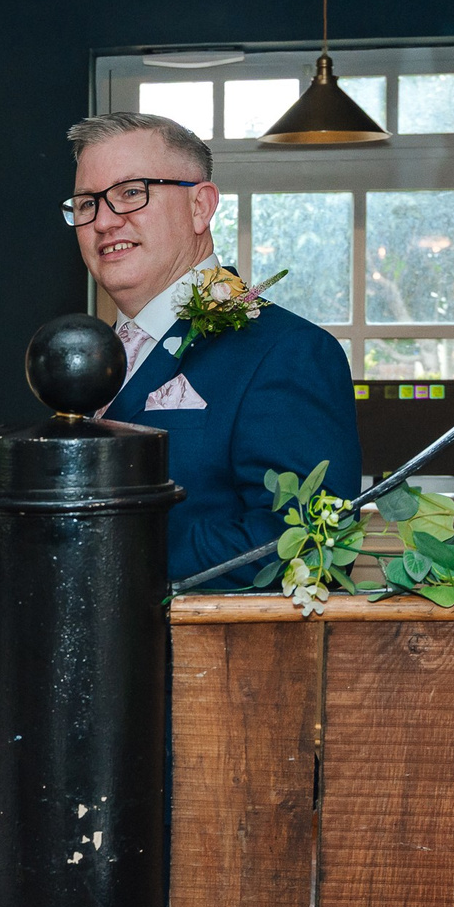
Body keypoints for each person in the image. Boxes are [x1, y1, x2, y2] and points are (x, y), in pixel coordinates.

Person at [67, 111, 362, 588]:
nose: (104, 221)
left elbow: (307, 541)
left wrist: (100, 556)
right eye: (86, 204)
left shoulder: (288, 352)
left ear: (201, 207)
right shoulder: (88, 360)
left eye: (130, 193)